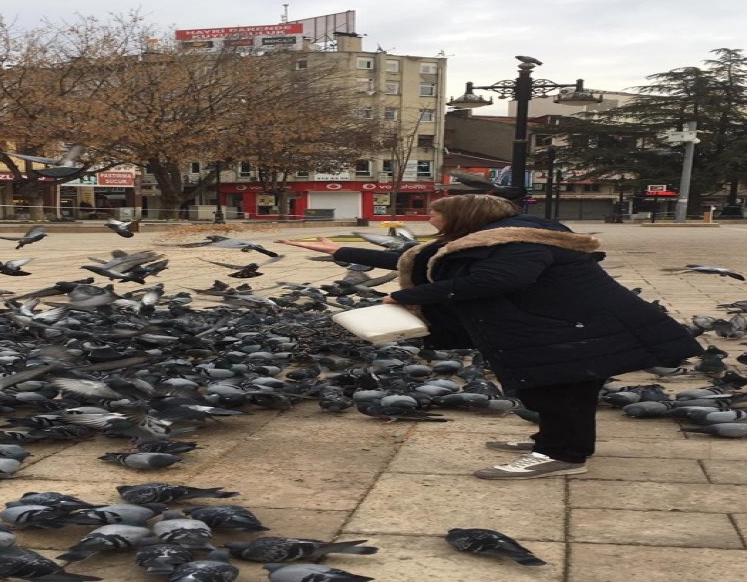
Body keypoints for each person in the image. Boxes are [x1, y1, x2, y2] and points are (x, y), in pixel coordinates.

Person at [278, 194, 702, 480]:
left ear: (463, 216)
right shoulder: (491, 238)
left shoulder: (519, 244)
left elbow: (496, 280)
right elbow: (418, 259)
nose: (429, 219)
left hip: (574, 328)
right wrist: (339, 251)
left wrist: (405, 296)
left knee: (563, 388)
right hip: (557, 325)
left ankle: (562, 455)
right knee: (552, 388)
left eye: (436, 214)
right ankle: (554, 441)